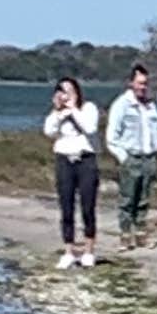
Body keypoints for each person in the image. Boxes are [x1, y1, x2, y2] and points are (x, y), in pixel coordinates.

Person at [44, 74, 102, 270]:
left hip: (85, 159)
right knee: (66, 207)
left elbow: (90, 128)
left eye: (69, 91)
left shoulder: (88, 108)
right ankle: (68, 251)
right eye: (61, 92)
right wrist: (58, 111)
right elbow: (49, 131)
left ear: (77, 92)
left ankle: (88, 251)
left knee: (88, 206)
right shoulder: (58, 113)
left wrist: (73, 110)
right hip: (64, 160)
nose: (65, 96)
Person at [106, 62, 157, 246]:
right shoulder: (122, 105)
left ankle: (141, 234)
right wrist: (124, 158)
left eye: (145, 83)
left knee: (144, 199)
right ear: (131, 83)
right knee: (127, 199)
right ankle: (125, 235)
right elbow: (111, 137)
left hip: (149, 158)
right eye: (139, 83)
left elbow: (156, 130)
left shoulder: (150, 106)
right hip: (131, 157)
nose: (143, 87)